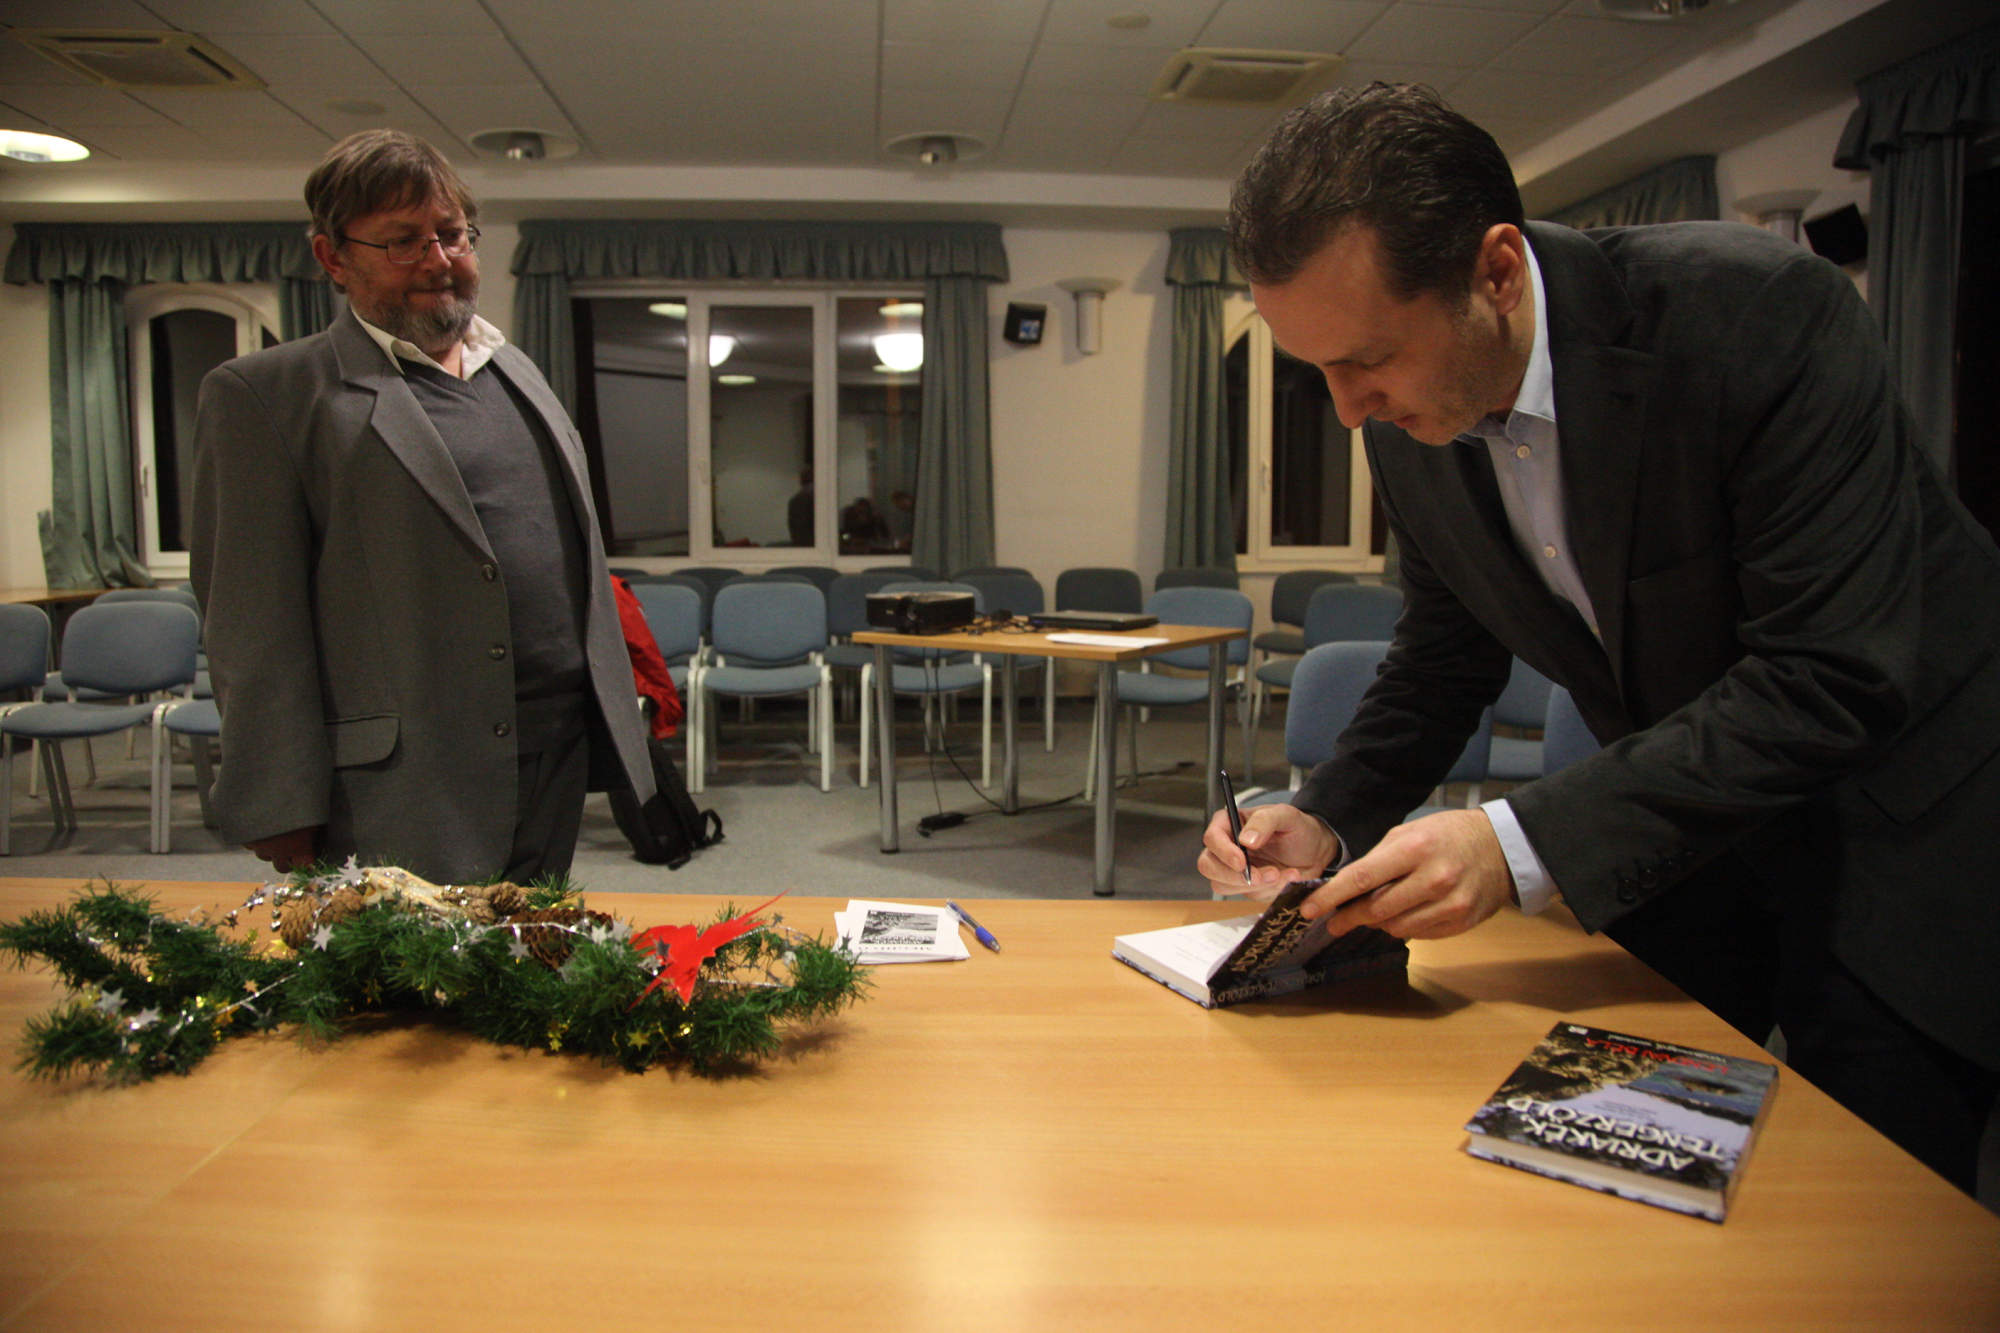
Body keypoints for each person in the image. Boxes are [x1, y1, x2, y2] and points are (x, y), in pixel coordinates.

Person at [1200, 84, 2000, 1195]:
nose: (1344, 410)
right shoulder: (1403, 416)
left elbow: (1828, 674)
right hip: (1682, 832)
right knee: (1616, 1181)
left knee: (1870, 1208)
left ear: (1495, 273)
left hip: (1902, 830)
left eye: (1366, 358)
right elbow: (1444, 655)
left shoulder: (1758, 315)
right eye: (1317, 369)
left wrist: (1511, 842)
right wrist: (1327, 810)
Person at [191, 129, 655, 886]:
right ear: (333, 257)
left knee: (526, 946)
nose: (438, 260)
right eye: (402, 241)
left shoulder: (516, 371)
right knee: (410, 964)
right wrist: (280, 798)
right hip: (400, 779)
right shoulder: (266, 395)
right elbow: (249, 622)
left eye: (452, 234)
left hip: (552, 752)